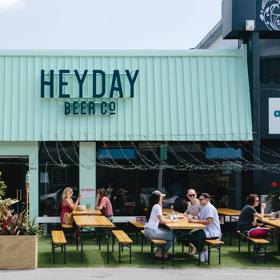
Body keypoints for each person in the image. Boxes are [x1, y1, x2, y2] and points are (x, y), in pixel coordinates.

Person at [188, 193, 221, 263]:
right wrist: (193, 217)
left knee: (194, 236)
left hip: (213, 232)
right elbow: (199, 217)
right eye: (199, 199)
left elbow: (208, 221)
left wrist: (195, 221)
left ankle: (202, 251)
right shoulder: (203, 207)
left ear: (207, 199)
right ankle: (202, 250)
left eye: (201, 199)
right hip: (206, 230)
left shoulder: (209, 208)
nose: (199, 201)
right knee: (190, 235)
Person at [144, 190, 174, 259]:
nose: (162, 198)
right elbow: (162, 221)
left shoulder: (153, 206)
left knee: (169, 233)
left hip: (147, 230)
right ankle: (161, 252)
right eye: (161, 197)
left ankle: (159, 250)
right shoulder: (157, 206)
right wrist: (172, 221)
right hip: (152, 231)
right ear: (158, 198)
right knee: (173, 236)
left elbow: (160, 217)